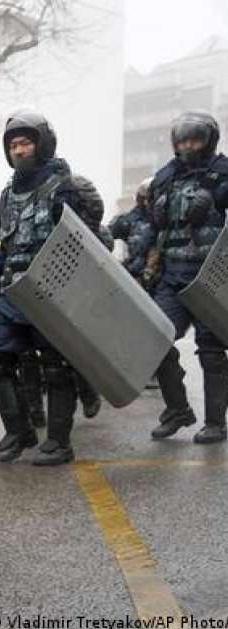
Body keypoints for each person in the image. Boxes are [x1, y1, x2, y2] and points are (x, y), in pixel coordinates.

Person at [0, 110, 104, 465]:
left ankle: (59, 442)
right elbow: (6, 246)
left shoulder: (65, 188)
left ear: (42, 145)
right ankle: (20, 431)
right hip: (11, 291)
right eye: (13, 145)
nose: (19, 150)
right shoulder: (7, 195)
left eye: (26, 142)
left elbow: (87, 244)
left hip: (52, 289)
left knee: (54, 365)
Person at [145, 112, 228, 444]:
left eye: (194, 140)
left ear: (208, 140)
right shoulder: (167, 178)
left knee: (211, 351)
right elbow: (154, 226)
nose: (188, 147)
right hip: (172, 274)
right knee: (155, 340)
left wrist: (217, 197)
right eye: (182, 141)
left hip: (210, 275)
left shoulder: (223, 173)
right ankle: (178, 409)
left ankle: (215, 422)